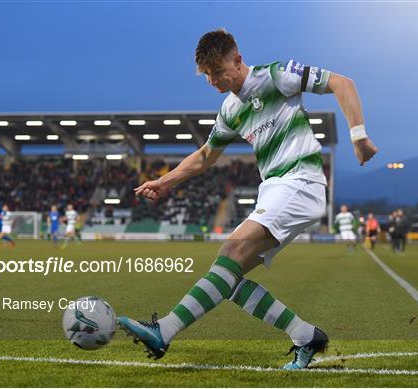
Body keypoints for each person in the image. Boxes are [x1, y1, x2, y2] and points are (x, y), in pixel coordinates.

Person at [118, 29, 377, 369]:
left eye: (217, 72)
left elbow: (343, 83)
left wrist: (358, 136)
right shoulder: (229, 109)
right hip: (274, 188)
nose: (213, 80)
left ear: (237, 60)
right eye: (207, 75)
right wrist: (165, 182)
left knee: (230, 253)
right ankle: (305, 336)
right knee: (229, 277)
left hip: (300, 180)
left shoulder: (276, 75)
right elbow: (206, 155)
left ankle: (163, 332)